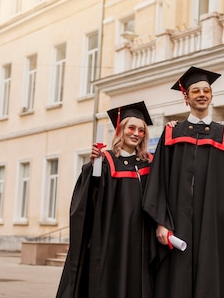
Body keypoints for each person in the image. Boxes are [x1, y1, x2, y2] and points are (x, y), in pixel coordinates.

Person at [142, 66, 224, 298]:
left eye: (206, 90)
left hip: (213, 226)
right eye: (195, 90)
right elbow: (159, 182)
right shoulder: (172, 134)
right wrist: (161, 222)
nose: (202, 94)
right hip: (178, 224)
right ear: (185, 97)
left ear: (212, 95)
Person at [56, 101, 156, 298]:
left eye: (141, 130)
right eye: (131, 128)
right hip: (113, 236)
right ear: (121, 130)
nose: (136, 133)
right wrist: (94, 168)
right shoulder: (106, 161)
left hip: (142, 237)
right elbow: (91, 197)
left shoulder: (150, 163)